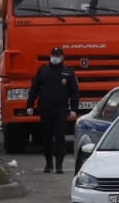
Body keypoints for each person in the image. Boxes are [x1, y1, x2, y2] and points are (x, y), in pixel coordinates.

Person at [26, 46, 79, 174]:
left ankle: (59, 164)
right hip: (45, 109)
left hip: (60, 109)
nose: (55, 57)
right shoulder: (43, 71)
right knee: (47, 137)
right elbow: (34, 89)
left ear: (62, 57)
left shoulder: (68, 72)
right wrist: (29, 105)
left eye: (58, 55)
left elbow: (74, 92)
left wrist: (74, 109)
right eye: (53, 55)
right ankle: (49, 163)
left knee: (60, 137)